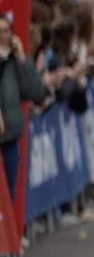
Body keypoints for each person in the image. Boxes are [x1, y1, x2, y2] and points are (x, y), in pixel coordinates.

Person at [1, 14, 50, 197]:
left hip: (11, 135)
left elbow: (35, 91)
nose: (4, 36)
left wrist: (22, 58)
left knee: (9, 194)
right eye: (0, 32)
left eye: (7, 31)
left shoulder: (14, 61)